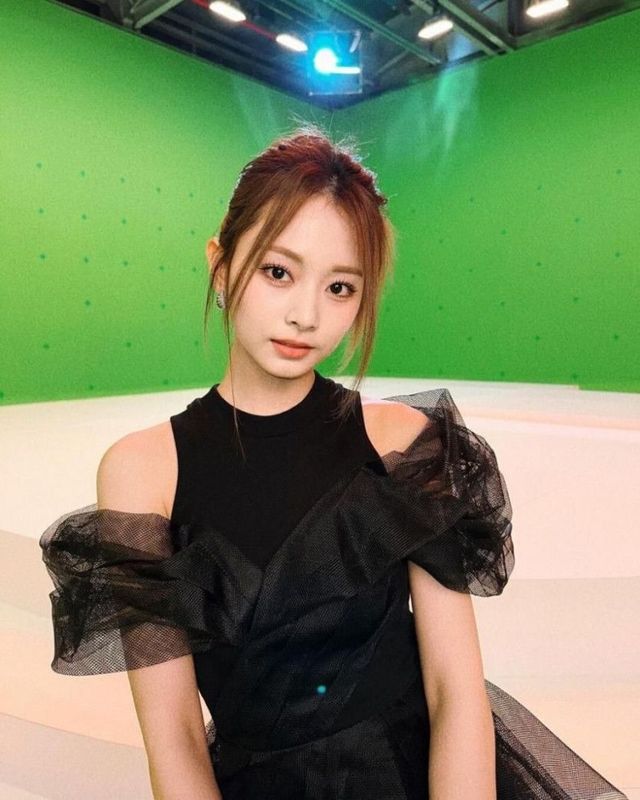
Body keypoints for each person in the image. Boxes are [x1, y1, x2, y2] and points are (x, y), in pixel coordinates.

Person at [39, 123, 628, 800]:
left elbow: (455, 690)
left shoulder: (403, 442)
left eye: (341, 287)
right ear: (220, 265)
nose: (306, 314)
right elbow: (173, 737)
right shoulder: (144, 469)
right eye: (278, 272)